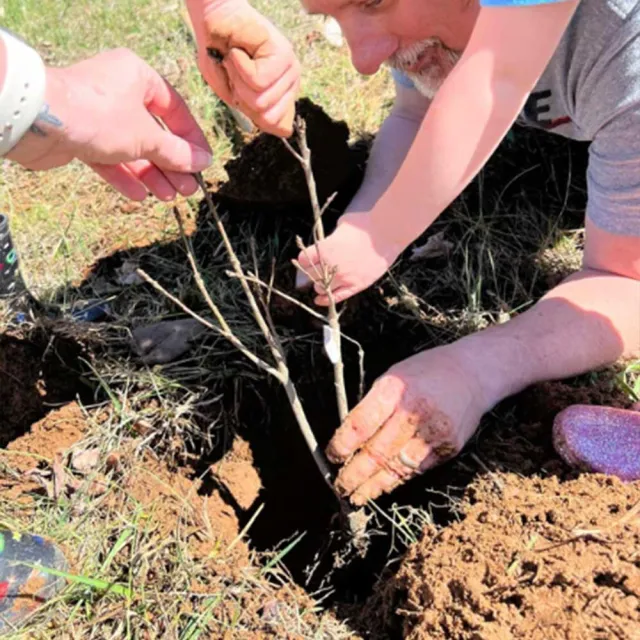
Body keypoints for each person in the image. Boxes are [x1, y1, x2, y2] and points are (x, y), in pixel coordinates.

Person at [182, 0, 640, 505]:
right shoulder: (436, 30)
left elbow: (625, 281)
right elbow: (415, 113)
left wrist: (475, 369)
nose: (362, 57)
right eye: (334, 17)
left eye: (375, 1)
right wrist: (358, 227)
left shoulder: (625, 50)